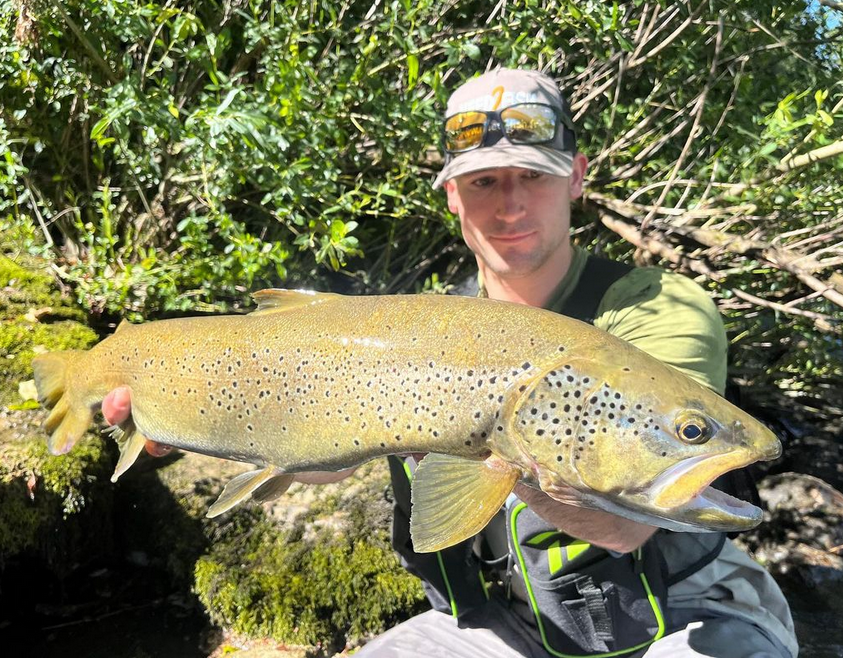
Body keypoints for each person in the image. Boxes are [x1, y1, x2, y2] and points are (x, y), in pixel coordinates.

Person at [103, 69, 798, 657]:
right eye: (484, 182)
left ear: (577, 178)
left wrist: (521, 448)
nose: (510, 202)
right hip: (493, 625)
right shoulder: (418, 325)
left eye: (533, 175)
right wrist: (183, 422)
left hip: (682, 614)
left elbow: (628, 522)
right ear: (450, 195)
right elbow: (319, 452)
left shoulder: (652, 307)